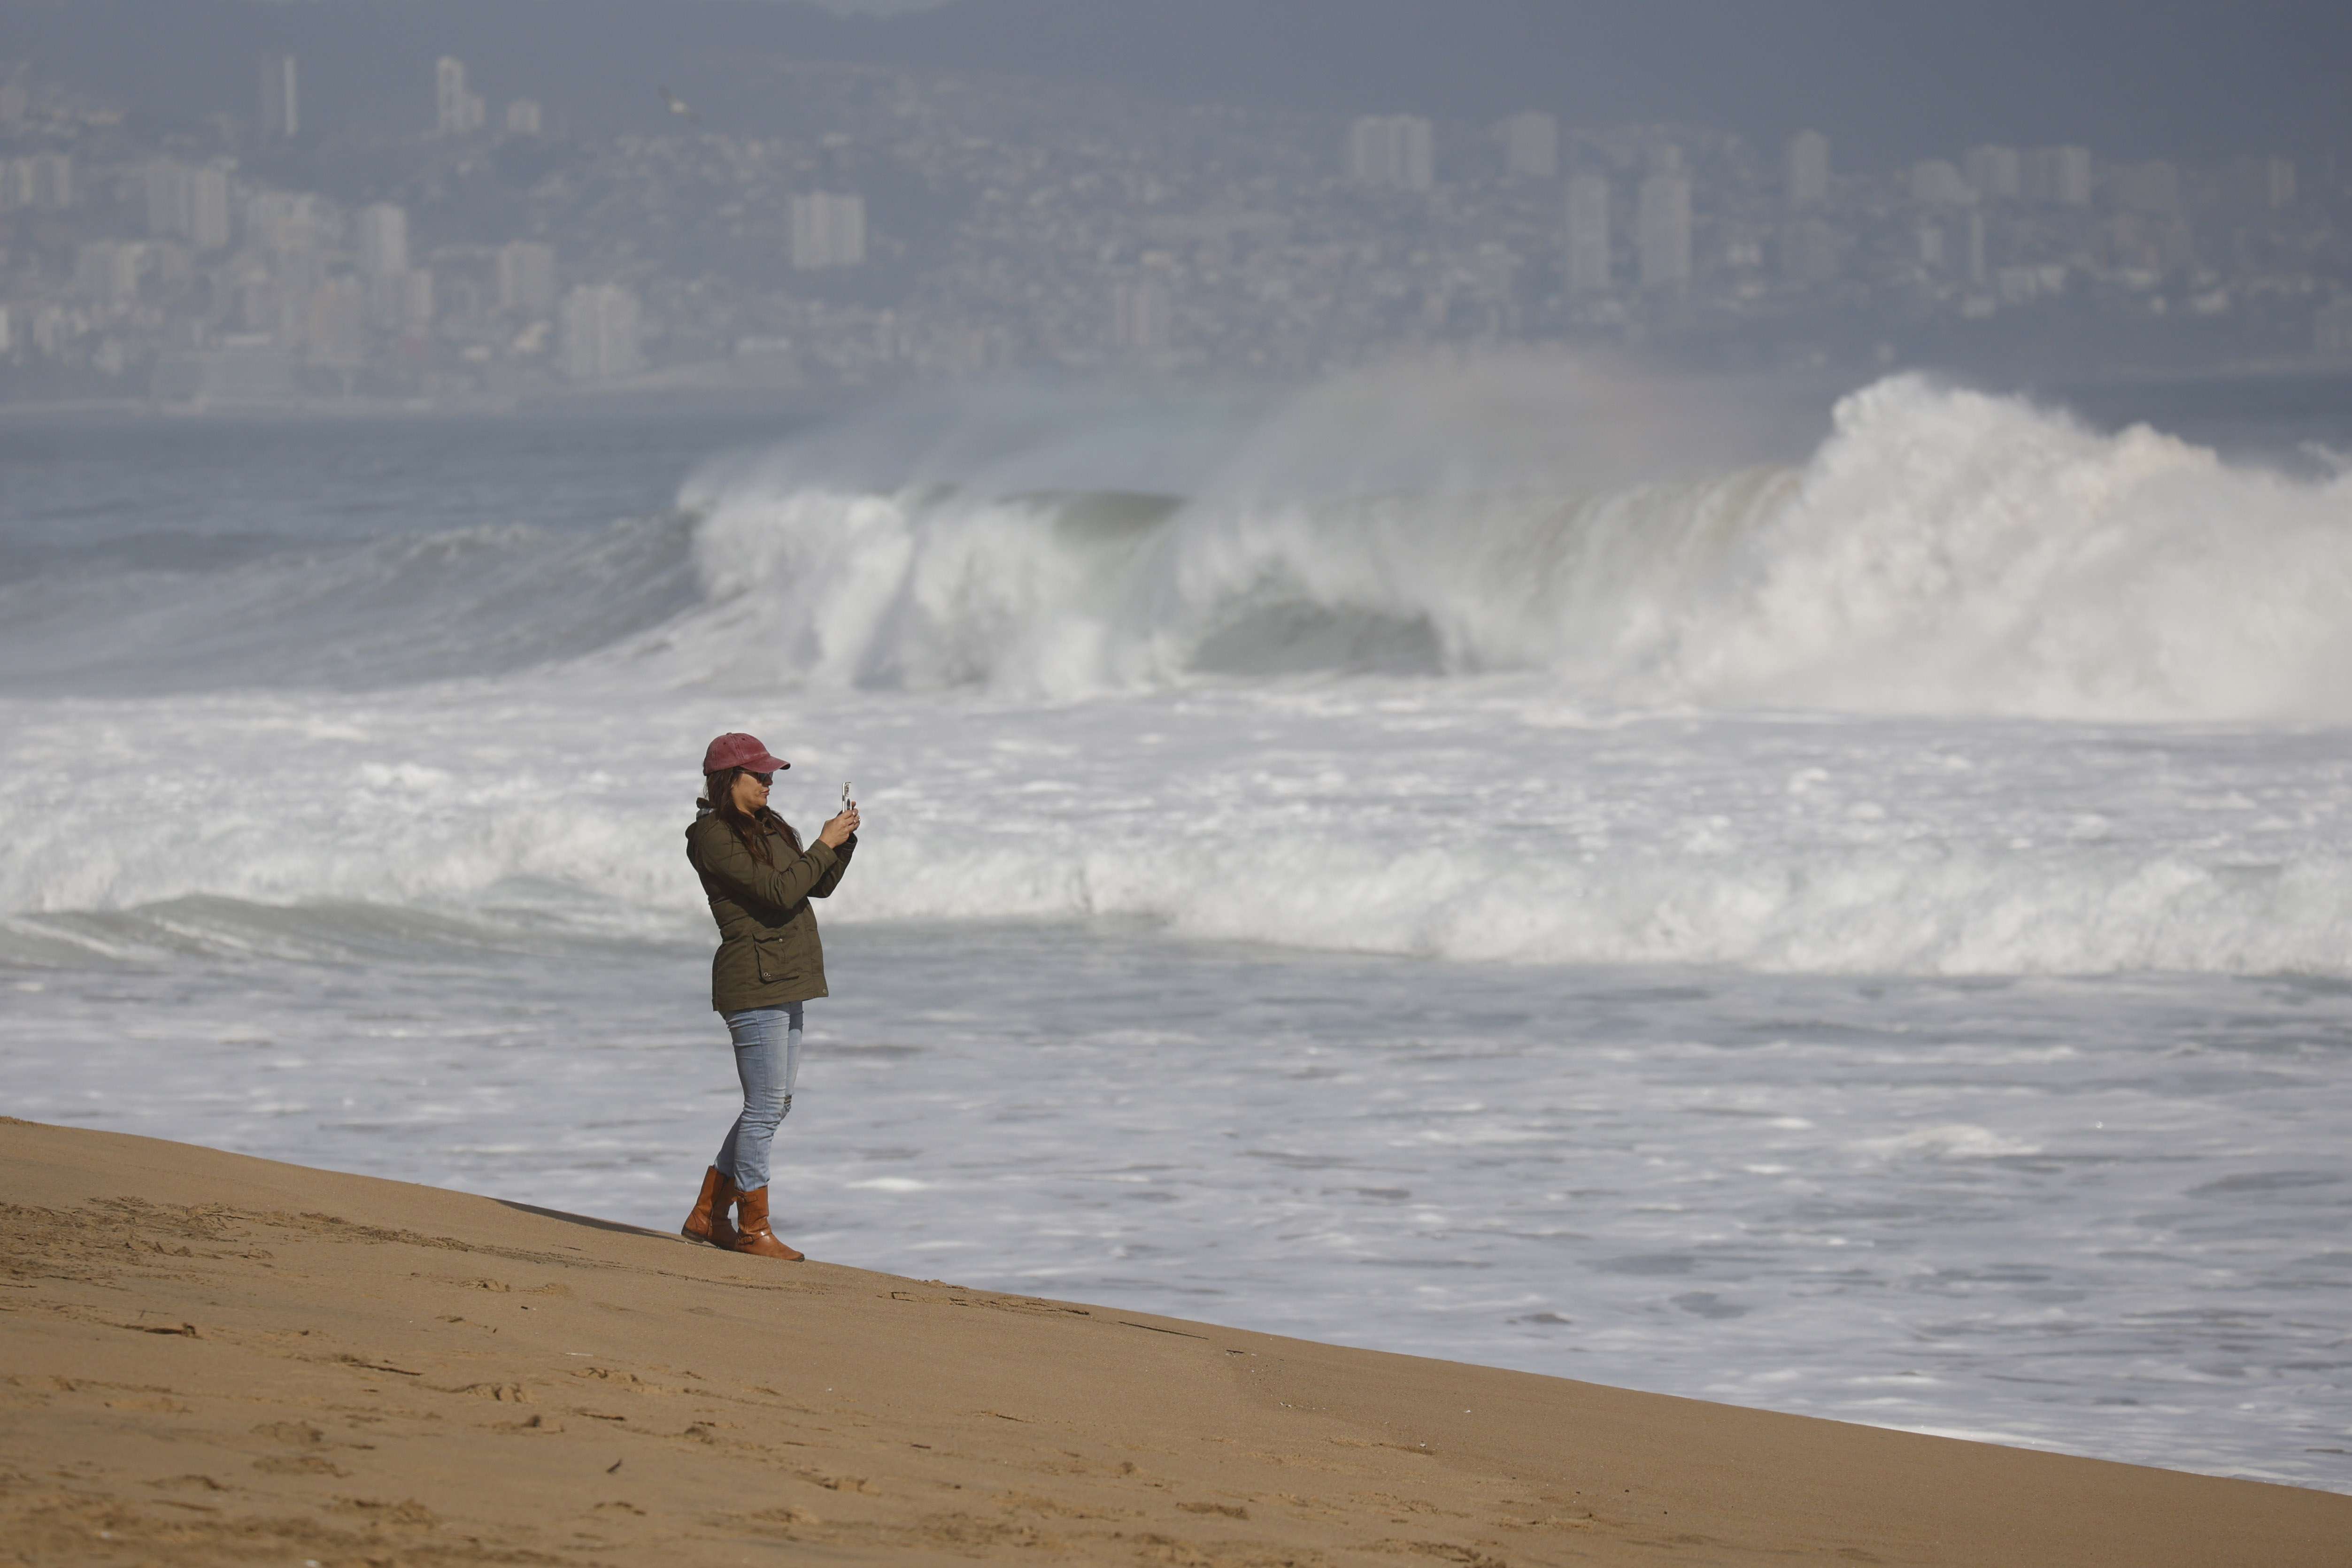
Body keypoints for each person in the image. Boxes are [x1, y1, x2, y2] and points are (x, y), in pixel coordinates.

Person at [679, 731, 860, 1261]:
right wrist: (824, 844)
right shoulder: (710, 836)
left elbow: (814, 886)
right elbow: (779, 891)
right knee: (763, 1107)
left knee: (775, 1104)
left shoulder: (772, 825)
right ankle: (751, 1226)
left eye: (770, 774)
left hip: (789, 974)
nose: (767, 782)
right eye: (757, 775)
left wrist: (842, 842)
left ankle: (708, 1214)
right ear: (726, 780)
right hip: (752, 980)